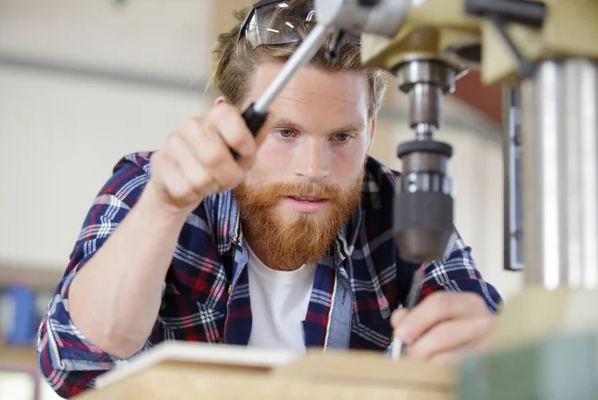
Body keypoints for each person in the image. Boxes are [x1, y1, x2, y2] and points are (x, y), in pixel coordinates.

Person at [36, 0, 502, 398]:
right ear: (231, 122)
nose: (314, 169)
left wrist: (489, 349)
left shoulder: (403, 208)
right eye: (285, 132)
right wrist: (164, 207)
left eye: (342, 137)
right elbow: (73, 358)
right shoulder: (151, 187)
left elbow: (491, 337)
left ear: (371, 133)